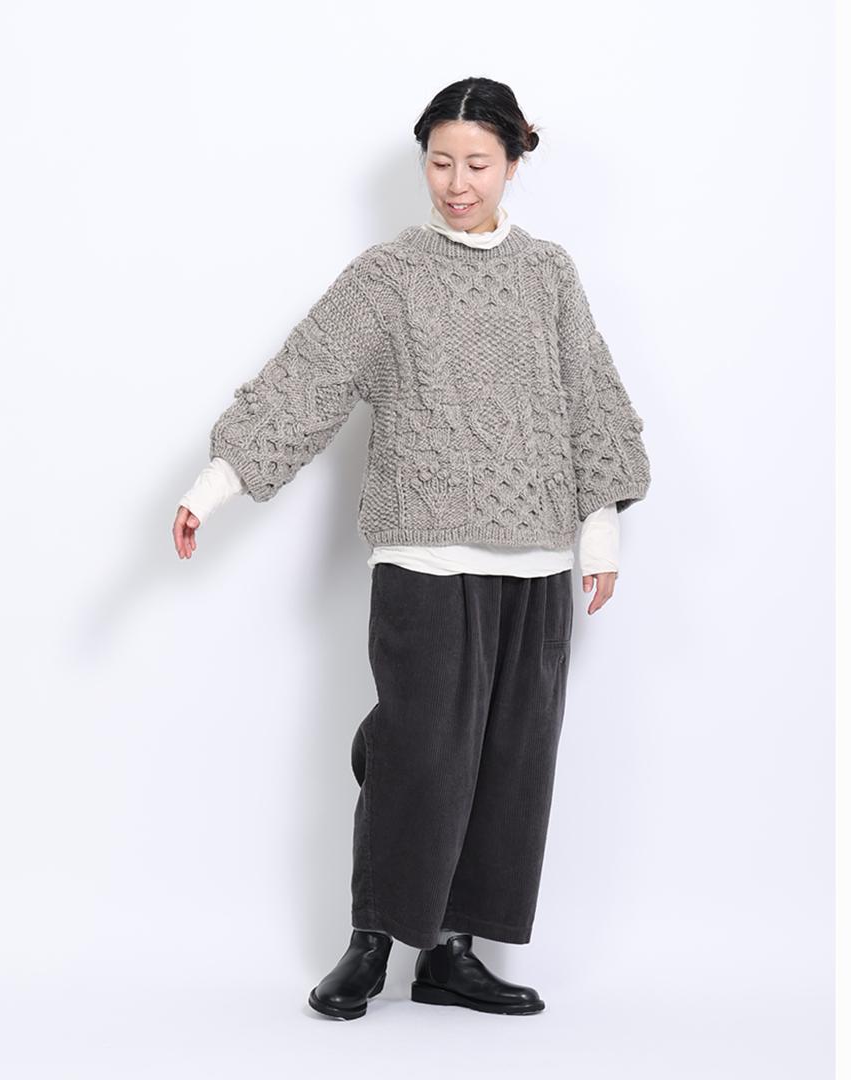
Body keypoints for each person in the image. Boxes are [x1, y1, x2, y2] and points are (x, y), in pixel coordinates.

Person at [173, 76, 651, 1021]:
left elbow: (592, 399)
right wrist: (214, 485)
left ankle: (453, 953)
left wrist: (601, 531)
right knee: (418, 753)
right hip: (424, 562)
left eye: (477, 163)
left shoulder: (549, 274)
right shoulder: (388, 277)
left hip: (534, 566)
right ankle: (372, 942)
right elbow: (307, 379)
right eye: (440, 162)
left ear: (514, 161)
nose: (457, 183)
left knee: (512, 764)